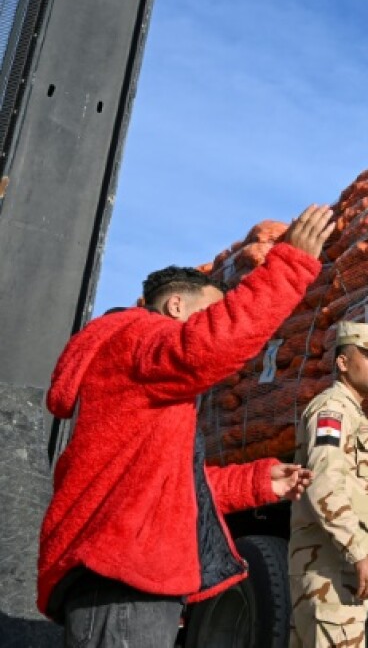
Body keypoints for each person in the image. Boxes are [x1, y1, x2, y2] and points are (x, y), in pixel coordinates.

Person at [38, 205, 335, 646]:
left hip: (127, 575)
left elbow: (168, 484)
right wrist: (290, 265)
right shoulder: (135, 338)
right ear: (177, 306)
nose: (214, 319)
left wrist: (258, 482)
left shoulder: (148, 383)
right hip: (121, 577)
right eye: (209, 311)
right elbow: (209, 346)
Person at [289, 321, 368, 648]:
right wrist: (359, 553)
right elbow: (324, 482)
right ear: (343, 363)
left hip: (336, 568)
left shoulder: (351, 412)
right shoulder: (332, 410)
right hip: (330, 568)